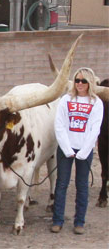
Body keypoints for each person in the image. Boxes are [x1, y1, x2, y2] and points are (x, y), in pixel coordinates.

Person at [51, 67, 104, 235]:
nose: (80, 84)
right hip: (66, 148)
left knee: (82, 186)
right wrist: (67, 148)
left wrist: (84, 150)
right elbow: (59, 125)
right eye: (77, 80)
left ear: (90, 83)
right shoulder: (65, 100)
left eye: (84, 81)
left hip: (84, 150)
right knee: (61, 184)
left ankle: (79, 221)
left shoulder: (96, 103)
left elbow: (95, 129)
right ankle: (57, 220)